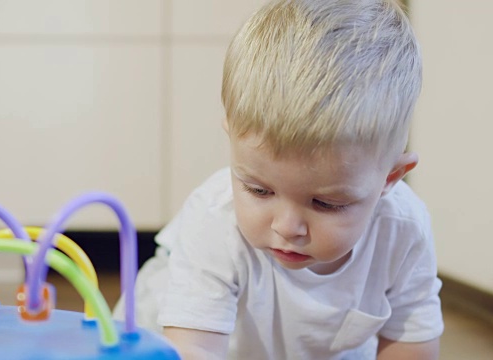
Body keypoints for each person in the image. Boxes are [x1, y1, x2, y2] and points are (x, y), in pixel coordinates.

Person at [114, 0, 443, 358]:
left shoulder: (404, 229)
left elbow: (411, 344)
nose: (287, 227)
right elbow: (193, 349)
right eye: (259, 190)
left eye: (327, 204)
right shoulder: (213, 221)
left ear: (390, 179)